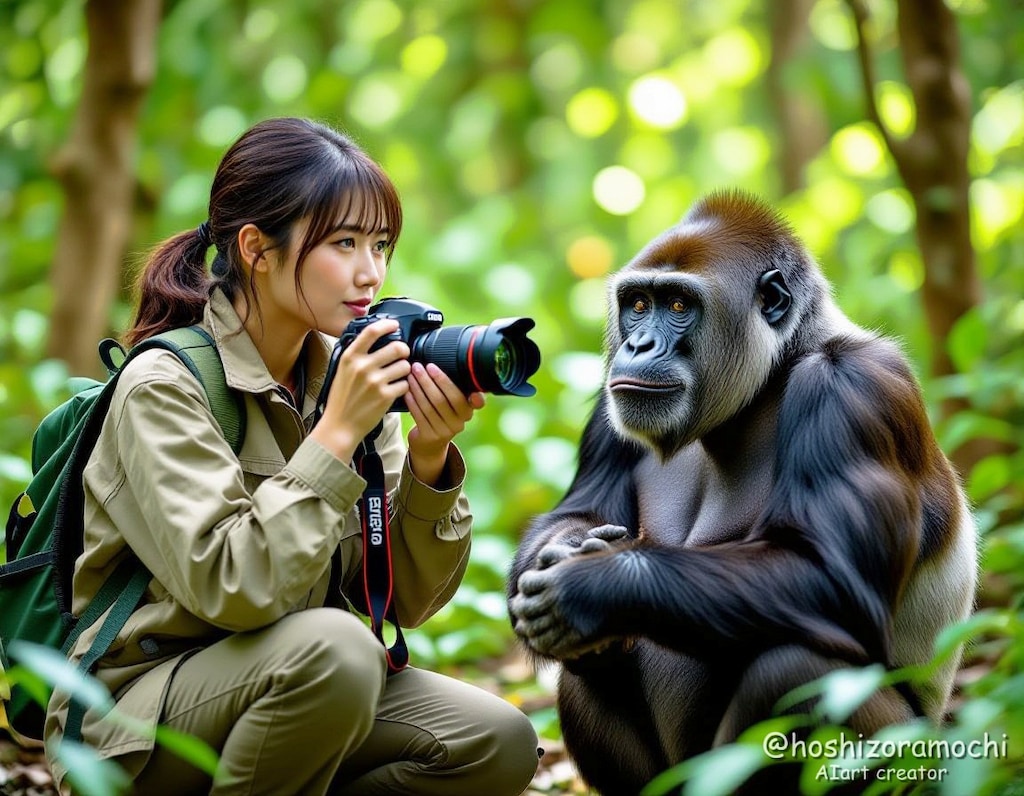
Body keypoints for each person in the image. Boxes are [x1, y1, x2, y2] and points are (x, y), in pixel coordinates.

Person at [43, 116, 541, 795]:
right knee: (338, 652)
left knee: (494, 742)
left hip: (295, 686)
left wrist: (429, 460)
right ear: (257, 248)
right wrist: (334, 437)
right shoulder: (164, 386)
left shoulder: (346, 381)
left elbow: (407, 602)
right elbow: (232, 585)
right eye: (344, 242)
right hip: (135, 717)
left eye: (381, 244)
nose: (371, 271)